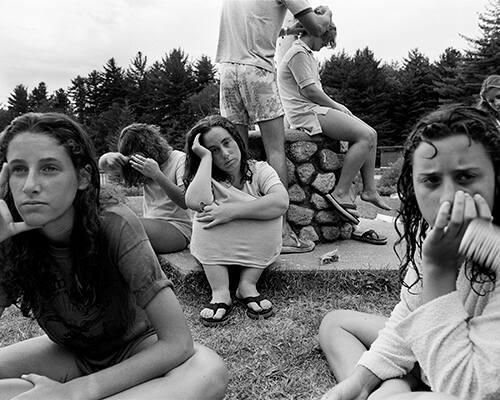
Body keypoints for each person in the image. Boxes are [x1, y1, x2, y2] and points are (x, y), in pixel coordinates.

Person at [0, 112, 228, 399]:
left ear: (82, 177)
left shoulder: (115, 223)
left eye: (49, 168)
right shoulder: (12, 236)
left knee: (208, 371)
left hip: (139, 349)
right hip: (72, 354)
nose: (30, 185)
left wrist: (73, 393)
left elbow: (178, 343)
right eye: (19, 169)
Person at [318, 105, 500, 400]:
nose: (448, 197)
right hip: (435, 353)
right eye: (431, 180)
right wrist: (359, 383)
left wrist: (438, 271)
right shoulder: (432, 235)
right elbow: (410, 311)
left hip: (467, 376)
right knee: (334, 323)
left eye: (466, 177)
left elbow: (468, 390)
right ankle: (392, 385)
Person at [216, 0, 332, 253]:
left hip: (227, 70)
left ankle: (240, 229)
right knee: (275, 150)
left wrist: (289, 30)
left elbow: (262, 24)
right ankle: (282, 232)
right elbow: (317, 28)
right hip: (257, 71)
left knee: (238, 153)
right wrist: (326, 15)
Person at [277, 15, 390, 225]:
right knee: (365, 135)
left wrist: (338, 108)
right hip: (306, 112)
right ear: (316, 33)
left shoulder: (307, 54)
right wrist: (337, 106)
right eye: (325, 41)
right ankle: (341, 192)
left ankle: (370, 190)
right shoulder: (298, 53)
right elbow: (310, 91)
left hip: (313, 109)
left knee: (371, 133)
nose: (325, 46)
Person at [184, 115, 289, 326]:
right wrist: (204, 160)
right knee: (205, 216)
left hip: (255, 247)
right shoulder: (206, 176)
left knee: (270, 214)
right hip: (216, 249)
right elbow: (195, 202)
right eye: (213, 150)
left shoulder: (261, 170)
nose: (225, 154)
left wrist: (230, 212)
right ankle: (220, 291)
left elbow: (281, 202)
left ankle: (247, 285)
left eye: (226, 143)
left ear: (237, 140)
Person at [99, 123, 191, 253]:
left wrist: (157, 175)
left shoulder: (180, 159)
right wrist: (106, 159)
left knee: (124, 225)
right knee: (105, 221)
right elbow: (109, 171)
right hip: (152, 224)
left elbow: (186, 201)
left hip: (179, 228)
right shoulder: (143, 165)